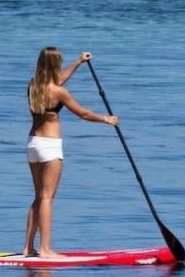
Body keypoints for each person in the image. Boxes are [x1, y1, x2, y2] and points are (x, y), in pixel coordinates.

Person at [23, 47, 119, 258]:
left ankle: (28, 247)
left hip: (33, 144)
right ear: (55, 66)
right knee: (48, 197)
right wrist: (106, 119)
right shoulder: (59, 92)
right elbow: (83, 113)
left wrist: (78, 62)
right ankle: (45, 250)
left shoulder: (33, 86)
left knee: (39, 197)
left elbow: (58, 81)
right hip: (50, 146)